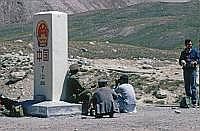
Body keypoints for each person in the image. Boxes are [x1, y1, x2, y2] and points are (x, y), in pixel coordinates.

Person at [179, 39, 199, 106]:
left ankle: (194, 101)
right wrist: (182, 61)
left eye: (191, 44)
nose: (190, 46)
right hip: (186, 70)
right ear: (186, 45)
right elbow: (180, 61)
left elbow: (198, 59)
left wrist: (195, 62)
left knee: (193, 85)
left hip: (193, 70)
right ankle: (188, 100)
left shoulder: (195, 51)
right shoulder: (183, 52)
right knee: (187, 85)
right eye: (189, 44)